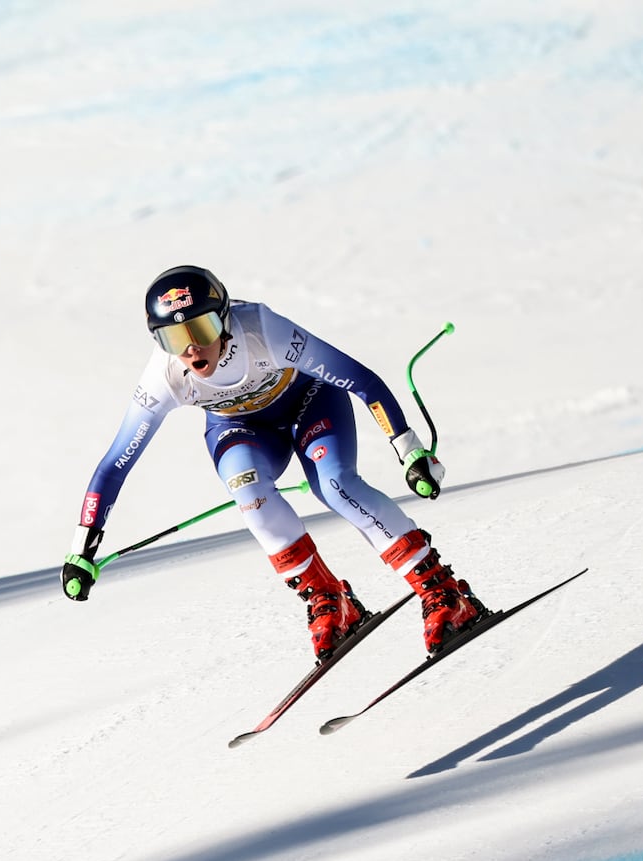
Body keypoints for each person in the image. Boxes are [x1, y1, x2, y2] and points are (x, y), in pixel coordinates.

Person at [60, 264, 486, 659]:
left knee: (336, 486)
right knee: (250, 494)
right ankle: (328, 601)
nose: (191, 349)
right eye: (174, 340)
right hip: (241, 430)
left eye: (203, 328)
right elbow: (115, 463)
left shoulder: (263, 330)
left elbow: (361, 379)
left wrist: (408, 448)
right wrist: (83, 547)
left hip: (310, 402)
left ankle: (443, 593)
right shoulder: (163, 377)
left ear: (225, 318)